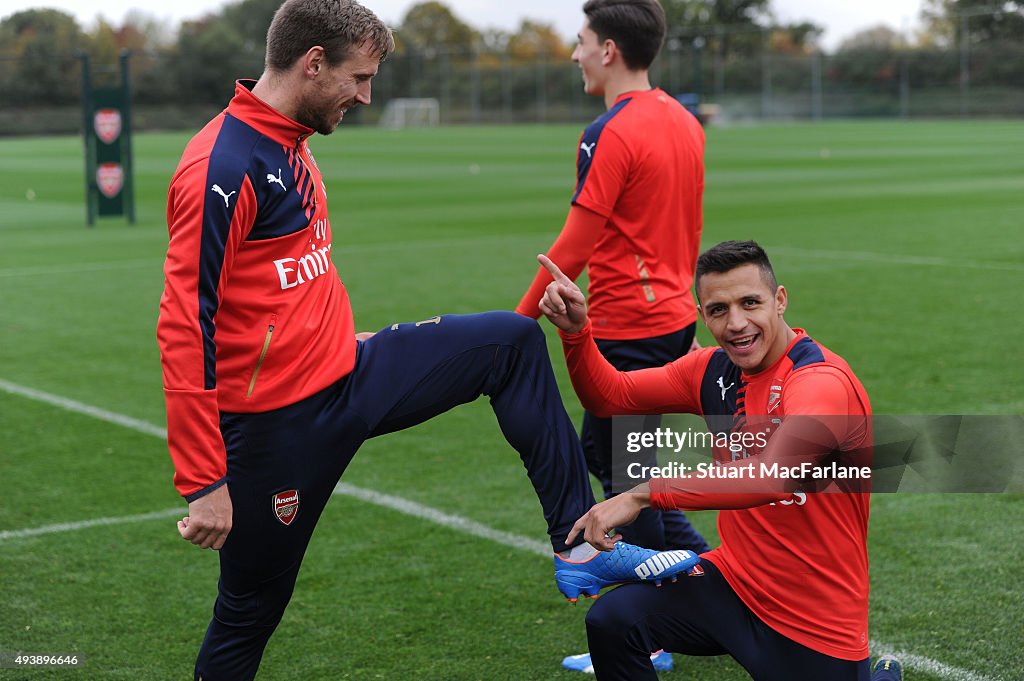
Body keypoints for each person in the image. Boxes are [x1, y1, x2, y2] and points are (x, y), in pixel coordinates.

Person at [155, 1, 699, 679]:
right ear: (313, 63)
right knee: (249, 611)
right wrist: (204, 480)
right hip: (276, 428)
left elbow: (290, 283)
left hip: (349, 372)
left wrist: (333, 337)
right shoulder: (222, 164)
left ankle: (577, 547)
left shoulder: (291, 146)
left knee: (511, 344)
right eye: (359, 78)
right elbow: (185, 321)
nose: (366, 94)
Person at [538, 241, 903, 680]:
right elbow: (610, 396)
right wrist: (576, 332)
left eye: (750, 303)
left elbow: (774, 475)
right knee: (614, 621)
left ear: (780, 300)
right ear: (701, 314)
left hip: (815, 618)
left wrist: (644, 495)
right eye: (717, 309)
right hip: (737, 581)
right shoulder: (710, 371)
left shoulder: (821, 382)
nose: (736, 323)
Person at [516, 0, 708, 559]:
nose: (575, 55)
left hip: (630, 330)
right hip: (670, 320)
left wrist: (515, 326)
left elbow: (573, 246)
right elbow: (686, 228)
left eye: (581, 42)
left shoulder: (610, 130)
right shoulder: (684, 120)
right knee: (609, 459)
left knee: (625, 481)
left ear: (608, 50)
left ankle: (650, 637)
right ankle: (698, 569)